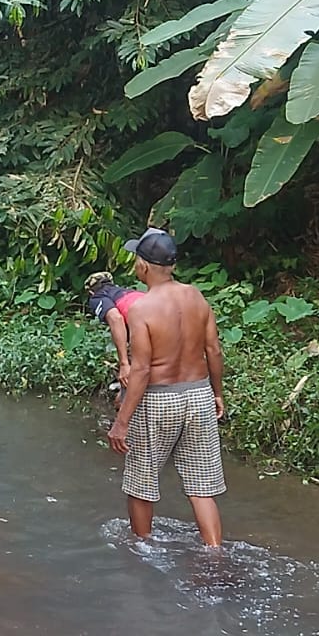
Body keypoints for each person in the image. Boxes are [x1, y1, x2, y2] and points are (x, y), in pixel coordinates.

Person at [104, 227, 227, 547]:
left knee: (140, 485)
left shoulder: (142, 309)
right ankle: (215, 552)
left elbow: (142, 369)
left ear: (143, 266)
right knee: (202, 488)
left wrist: (121, 421)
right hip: (198, 394)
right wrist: (217, 393)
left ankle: (143, 551)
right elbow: (213, 350)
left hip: (158, 401)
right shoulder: (196, 296)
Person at [85, 270, 145, 389]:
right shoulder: (128, 291)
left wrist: (124, 364)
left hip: (144, 324)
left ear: (91, 292)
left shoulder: (98, 297)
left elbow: (116, 319)